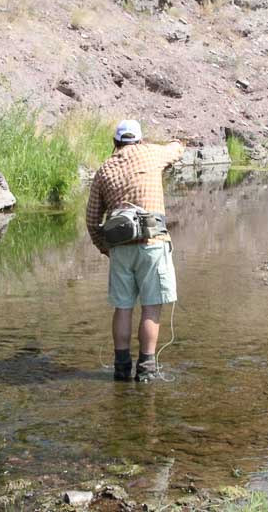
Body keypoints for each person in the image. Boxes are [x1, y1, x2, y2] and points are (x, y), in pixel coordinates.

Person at [85, 119, 185, 382]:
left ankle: (120, 368)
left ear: (115, 143)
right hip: (152, 244)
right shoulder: (151, 153)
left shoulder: (104, 169)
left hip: (120, 248)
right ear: (139, 140)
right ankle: (147, 369)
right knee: (151, 308)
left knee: (123, 308)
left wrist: (106, 248)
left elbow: (92, 219)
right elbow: (175, 151)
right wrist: (178, 141)